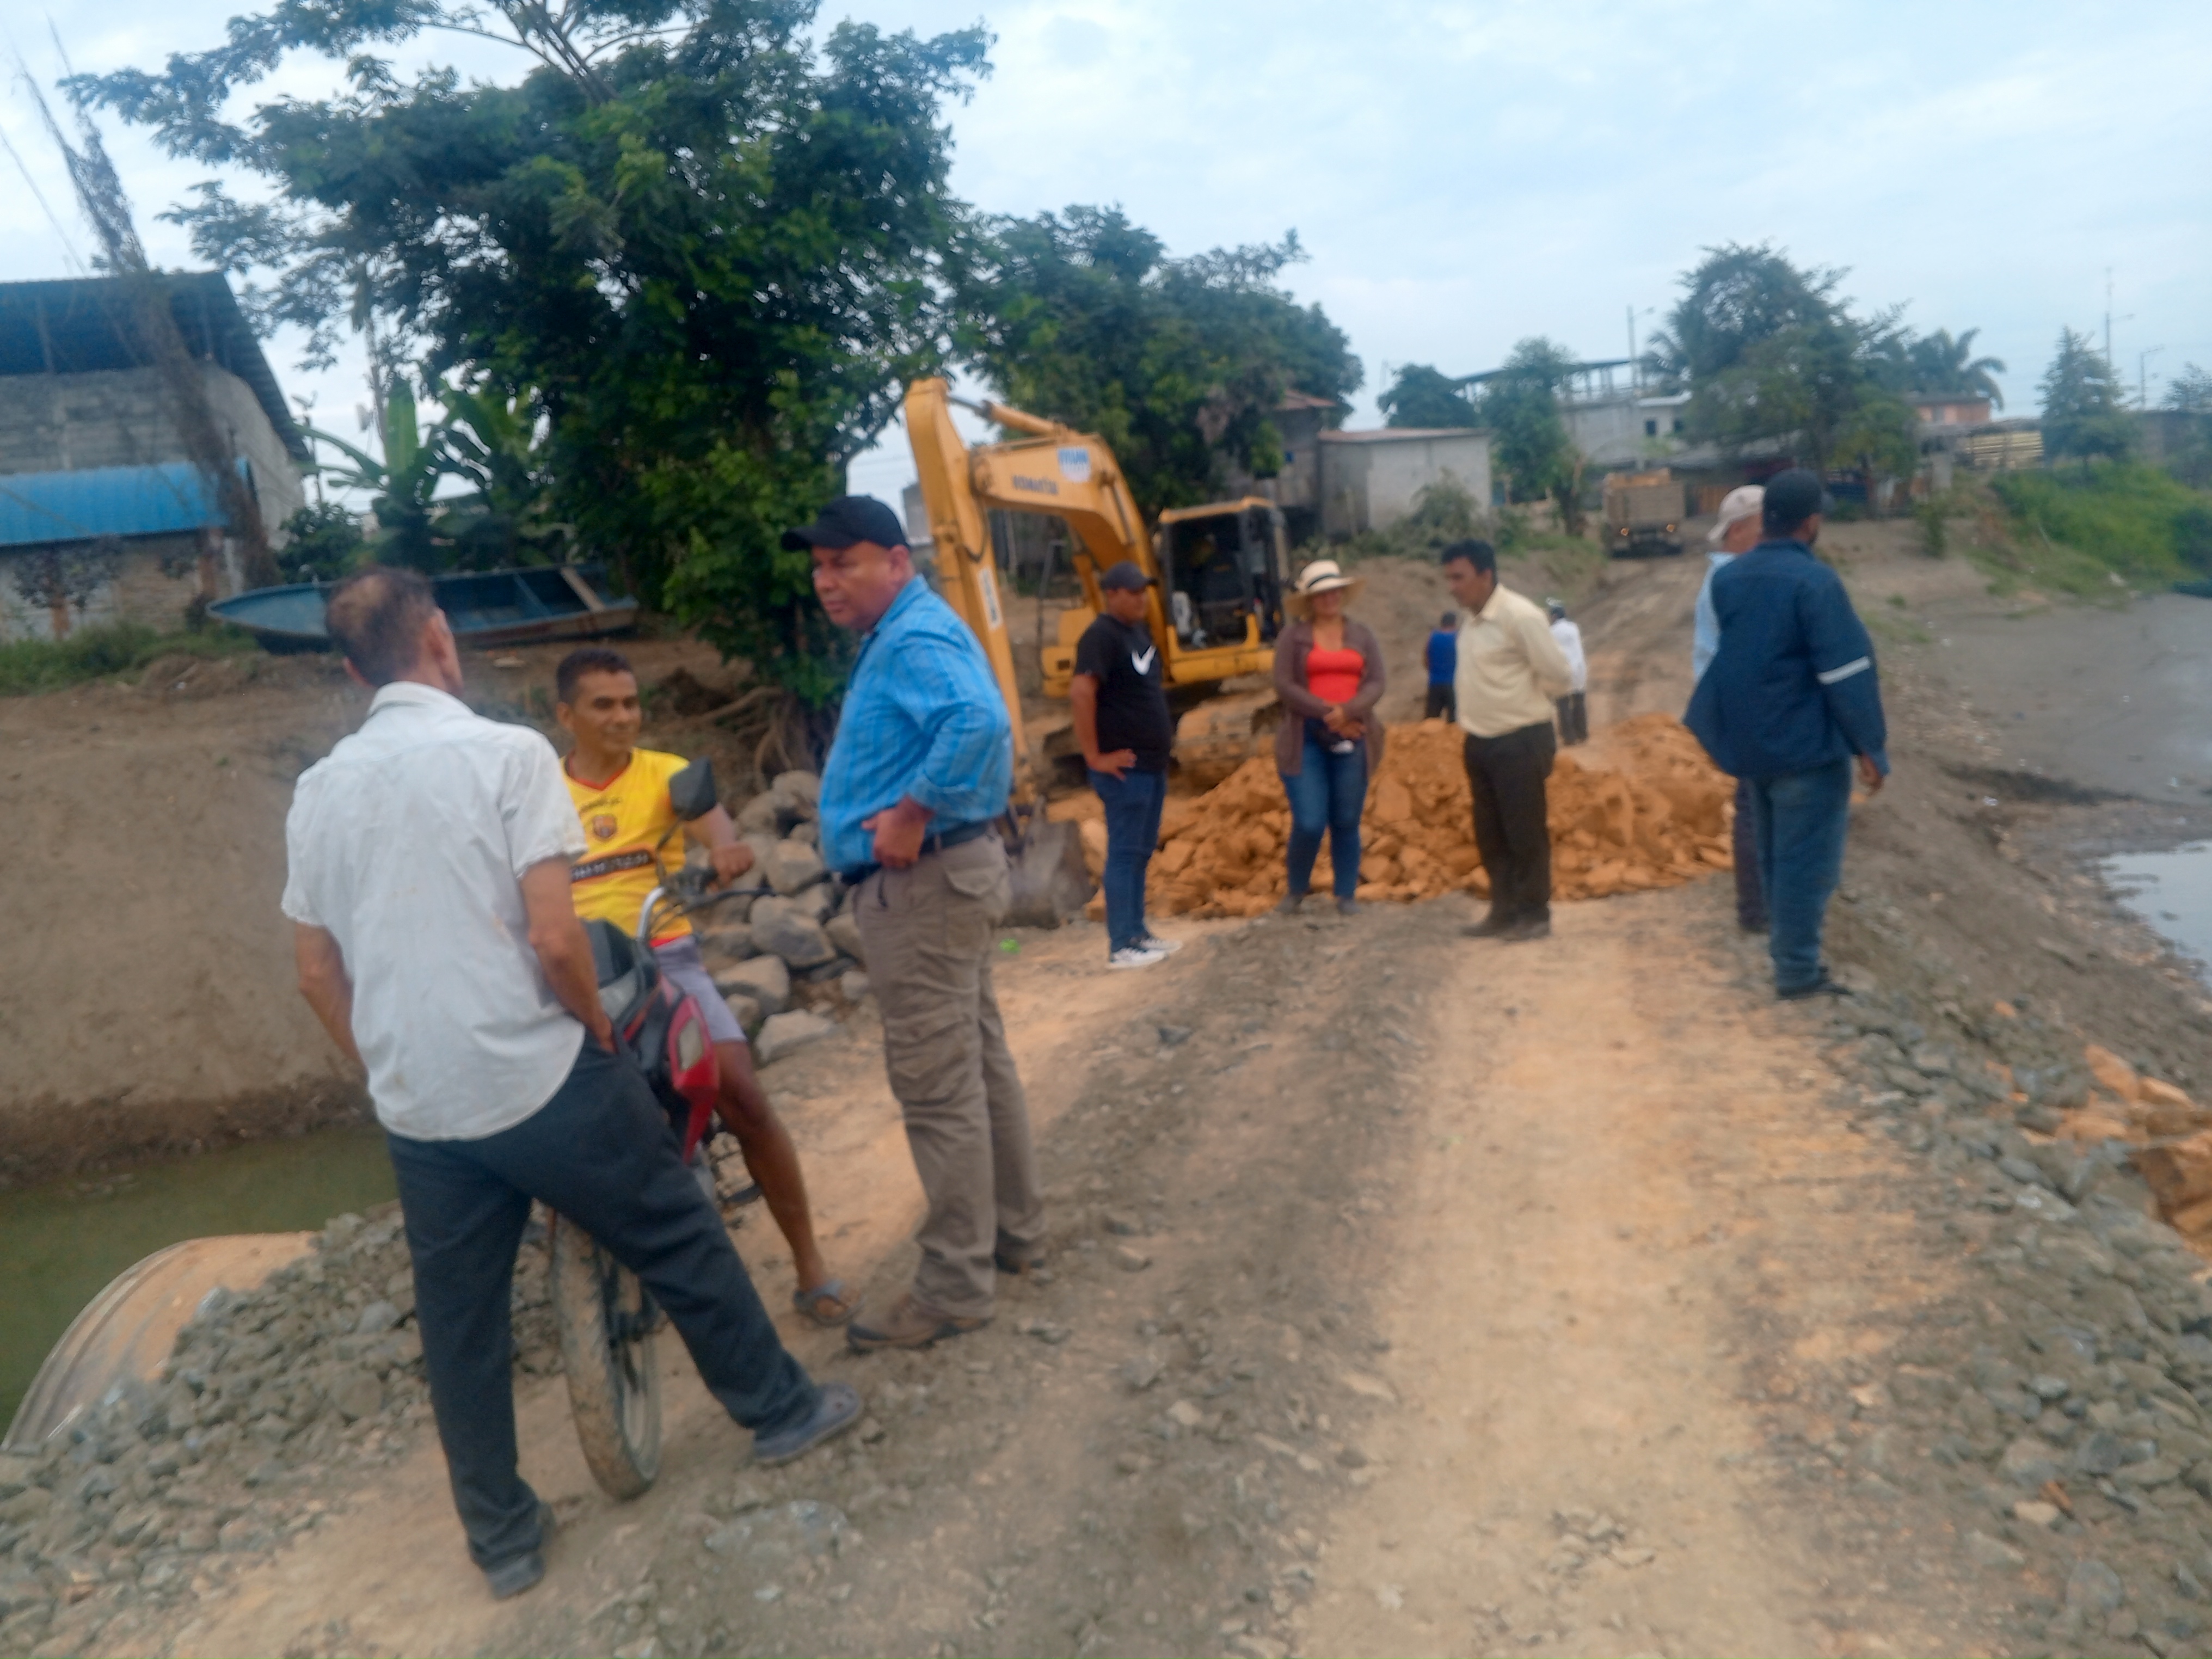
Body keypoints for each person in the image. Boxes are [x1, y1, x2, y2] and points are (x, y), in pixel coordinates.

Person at [282, 568, 857, 1600]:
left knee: (461, 1324)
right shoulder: (507, 756)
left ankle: (503, 1539)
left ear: (354, 674)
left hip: (419, 1107)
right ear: (441, 641)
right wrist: (593, 1029)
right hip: (534, 1070)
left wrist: (389, 1071)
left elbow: (317, 975)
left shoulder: (318, 793)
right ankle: (782, 1409)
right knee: (674, 1226)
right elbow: (556, 939)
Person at [794, 495, 1047, 1351]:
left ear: (896, 562)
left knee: (938, 1088)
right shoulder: (907, 631)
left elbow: (978, 722)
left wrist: (909, 813)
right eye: (820, 567)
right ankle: (1014, 1233)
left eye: (845, 563)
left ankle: (952, 1288)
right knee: (978, 1062)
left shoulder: (909, 638)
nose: (827, 581)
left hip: (923, 882)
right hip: (950, 875)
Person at [552, 647, 847, 1325]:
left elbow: (714, 826)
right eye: (603, 705)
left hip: (662, 957)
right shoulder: (537, 790)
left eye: (630, 703)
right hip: (577, 969)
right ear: (567, 716)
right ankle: (595, 1271)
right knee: (557, 1118)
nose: (623, 716)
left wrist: (725, 850)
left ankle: (810, 1266)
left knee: (740, 1089)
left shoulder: (668, 774)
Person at [1686, 469, 1889, 1001]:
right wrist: (1870, 747)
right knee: (1806, 864)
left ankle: (1786, 956)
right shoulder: (1815, 583)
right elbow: (1845, 672)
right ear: (1811, 522)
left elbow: (1732, 662)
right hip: (1807, 751)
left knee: (1774, 858)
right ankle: (1797, 971)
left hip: (1755, 748)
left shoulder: (1728, 581)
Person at [1441, 539, 1574, 943]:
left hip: (1520, 740)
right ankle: (1503, 910)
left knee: (1524, 831)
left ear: (1486, 576)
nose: (1452, 587)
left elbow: (1560, 675)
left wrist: (1524, 703)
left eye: (1459, 578)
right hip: (1480, 741)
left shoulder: (1520, 616)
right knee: (1491, 833)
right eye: (1449, 579)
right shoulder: (1471, 622)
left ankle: (1534, 914)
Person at [1071, 560, 1179, 969]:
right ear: (1111, 594)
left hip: (1152, 764)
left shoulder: (1139, 632)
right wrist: (1094, 756)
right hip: (1124, 770)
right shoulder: (1100, 636)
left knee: (1141, 851)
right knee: (1124, 851)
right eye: (1132, 592)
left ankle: (1137, 932)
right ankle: (1121, 945)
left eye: (1143, 591)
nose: (1141, 599)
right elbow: (1081, 693)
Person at [1272, 559, 1386, 917]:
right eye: (1321, 593)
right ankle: (1296, 890)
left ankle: (1346, 894)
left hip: (1354, 734)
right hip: (1305, 737)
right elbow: (1284, 684)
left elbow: (1377, 682)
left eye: (1334, 591)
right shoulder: (1293, 637)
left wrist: (1349, 711)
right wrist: (1329, 714)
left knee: (1347, 819)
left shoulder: (1362, 635)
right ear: (1310, 600)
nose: (1329, 598)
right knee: (1309, 820)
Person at [1691, 484, 1769, 933]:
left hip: (1737, 709)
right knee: (1755, 810)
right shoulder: (1732, 583)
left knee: (1756, 807)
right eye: (1763, 530)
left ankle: (1760, 907)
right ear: (1737, 532)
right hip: (1746, 711)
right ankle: (1757, 910)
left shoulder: (1729, 578)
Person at [1546, 599, 1588, 746]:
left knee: (1563, 703)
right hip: (1580, 669)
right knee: (1579, 701)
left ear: (1555, 616)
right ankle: (1582, 733)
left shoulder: (1551, 631)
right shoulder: (1574, 628)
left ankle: (1569, 737)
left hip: (1564, 670)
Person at [1423, 612, 1459, 723]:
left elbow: (1426, 661)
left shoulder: (1433, 637)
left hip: (1435, 683)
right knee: (1454, 723)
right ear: (1454, 623)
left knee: (1431, 721)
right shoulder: (1458, 638)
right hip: (1453, 685)